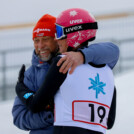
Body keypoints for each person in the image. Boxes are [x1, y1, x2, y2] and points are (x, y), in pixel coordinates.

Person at [13, 11, 119, 134]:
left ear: (73, 35)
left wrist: (20, 88)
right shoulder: (106, 70)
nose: (57, 39)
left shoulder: (62, 63)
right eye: (36, 40)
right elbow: (109, 121)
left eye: (56, 34)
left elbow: (35, 104)